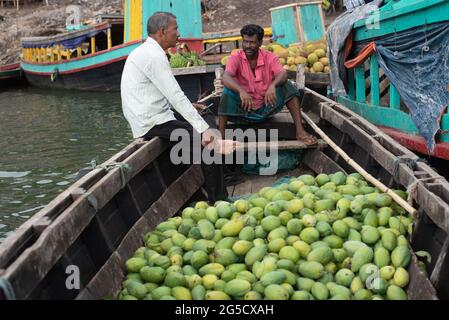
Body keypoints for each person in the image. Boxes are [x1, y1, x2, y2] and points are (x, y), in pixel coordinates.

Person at [121, 12, 236, 202]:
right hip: (150, 122)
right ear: (162, 31)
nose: (179, 34)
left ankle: (220, 176)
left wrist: (197, 117)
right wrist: (203, 131)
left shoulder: (150, 52)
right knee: (208, 142)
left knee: (205, 116)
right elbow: (175, 95)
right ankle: (219, 200)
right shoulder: (154, 56)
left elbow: (156, 93)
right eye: (175, 29)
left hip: (155, 114)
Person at [218, 24, 317, 145]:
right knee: (227, 92)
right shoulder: (235, 58)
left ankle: (300, 132)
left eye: (252, 42)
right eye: (245, 42)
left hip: (266, 109)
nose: (248, 46)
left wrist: (273, 85)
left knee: (288, 86)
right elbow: (226, 77)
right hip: (242, 112)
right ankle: (221, 137)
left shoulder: (269, 57)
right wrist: (241, 91)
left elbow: (283, 74)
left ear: (260, 43)